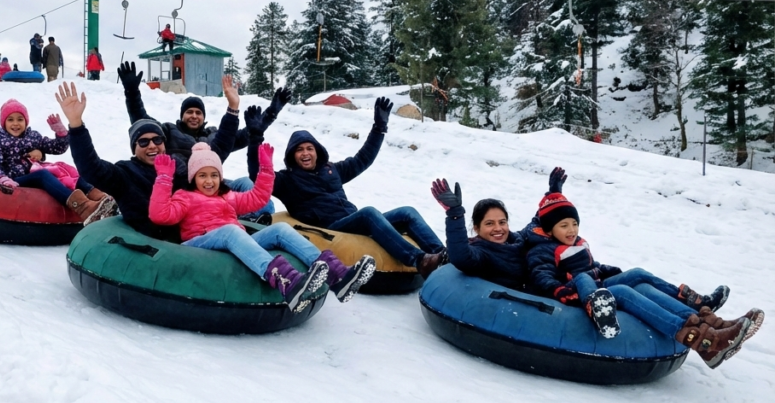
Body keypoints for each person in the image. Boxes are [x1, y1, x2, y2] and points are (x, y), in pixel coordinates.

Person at [524, 169, 763, 368]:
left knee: (639, 278)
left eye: (574, 223)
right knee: (628, 292)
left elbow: (591, 265)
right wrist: (560, 291)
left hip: (598, 284)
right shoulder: (541, 249)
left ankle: (707, 317)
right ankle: (701, 341)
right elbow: (540, 276)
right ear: (548, 229)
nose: (571, 230)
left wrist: (609, 270)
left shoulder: (574, 243)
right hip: (582, 294)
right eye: (564, 225)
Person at [150, 142, 376, 310]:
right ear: (193, 178)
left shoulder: (227, 196)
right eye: (202, 176)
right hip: (200, 243)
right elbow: (160, 215)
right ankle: (287, 282)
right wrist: (163, 179)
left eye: (214, 175)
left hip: (233, 240)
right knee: (230, 231)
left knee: (281, 230)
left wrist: (266, 171)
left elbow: (257, 199)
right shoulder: (185, 196)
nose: (209, 181)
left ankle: (337, 276)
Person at [251, 97, 446, 277]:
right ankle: (419, 260)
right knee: (368, 213)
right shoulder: (287, 180)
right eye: (299, 150)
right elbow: (257, 176)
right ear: (292, 155)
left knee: (407, 212)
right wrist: (255, 137)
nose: (305, 153)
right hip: (333, 226)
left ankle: (443, 256)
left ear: (317, 151)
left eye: (309, 148)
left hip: (353, 219)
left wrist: (379, 128)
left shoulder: (331, 170)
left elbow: (363, 159)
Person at [57, 77, 241, 240]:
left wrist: (233, 109)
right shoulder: (125, 173)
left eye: (157, 139)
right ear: (134, 148)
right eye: (143, 142)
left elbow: (218, 150)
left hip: (192, 237)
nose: (152, 145)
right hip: (154, 246)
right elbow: (90, 167)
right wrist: (76, 125)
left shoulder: (178, 167)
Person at [117, 61, 290, 161]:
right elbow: (141, 121)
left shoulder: (215, 136)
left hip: (210, 186)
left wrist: (272, 112)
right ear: (182, 116)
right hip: (179, 186)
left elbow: (250, 133)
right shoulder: (168, 132)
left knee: (244, 184)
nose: (194, 116)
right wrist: (132, 92)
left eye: (198, 113)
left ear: (204, 117)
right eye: (189, 112)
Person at [0, 98, 106, 223]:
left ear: (26, 121)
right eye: (10, 120)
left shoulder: (33, 136)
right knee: (42, 175)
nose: (15, 123)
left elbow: (56, 148)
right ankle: (83, 206)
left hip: (34, 171)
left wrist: (60, 133)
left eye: (20, 119)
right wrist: (2, 178)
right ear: (3, 122)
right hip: (14, 179)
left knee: (65, 169)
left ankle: (100, 197)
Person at [429, 180, 527, 291]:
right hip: (441, 264)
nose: (498, 228)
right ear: (477, 228)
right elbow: (461, 257)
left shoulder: (518, 242)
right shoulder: (481, 253)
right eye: (489, 223)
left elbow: (538, 224)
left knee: (409, 214)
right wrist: (455, 215)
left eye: (502, 222)